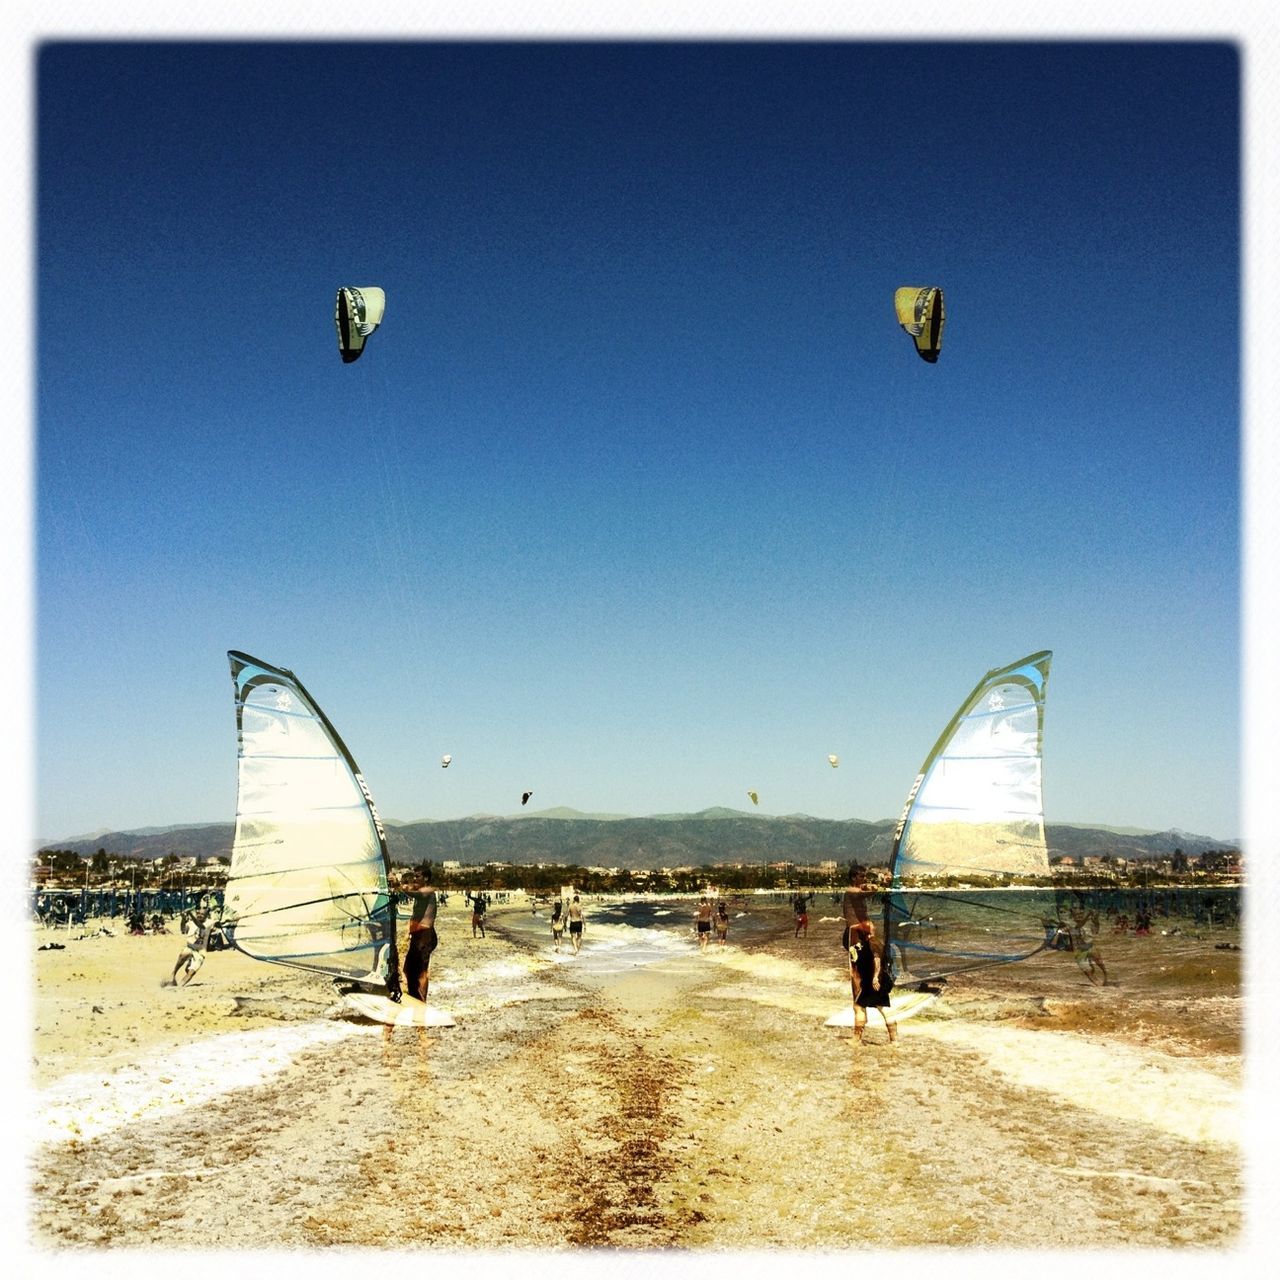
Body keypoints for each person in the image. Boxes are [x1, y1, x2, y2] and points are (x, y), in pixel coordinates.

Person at [850, 920, 897, 1043]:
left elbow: (876, 959)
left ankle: (856, 1039)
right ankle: (894, 1041)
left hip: (872, 983)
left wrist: (875, 977)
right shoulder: (875, 942)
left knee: (858, 1007)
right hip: (881, 982)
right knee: (885, 1009)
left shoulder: (871, 943)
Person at [403, 874, 439, 1001]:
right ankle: (414, 996)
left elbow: (414, 893)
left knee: (422, 971)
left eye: (417, 876)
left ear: (426, 878)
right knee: (408, 968)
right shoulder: (420, 893)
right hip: (417, 936)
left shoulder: (428, 891)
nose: (415, 878)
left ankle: (422, 1000)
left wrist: (399, 886)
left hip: (426, 936)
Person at [163, 907, 211, 987]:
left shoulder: (209, 922)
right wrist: (183, 919)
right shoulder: (191, 923)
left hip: (200, 951)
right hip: (190, 947)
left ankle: (180, 986)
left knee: (191, 972)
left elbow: (201, 926)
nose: (200, 915)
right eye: (198, 914)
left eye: (202, 914)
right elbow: (183, 929)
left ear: (207, 915)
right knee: (183, 955)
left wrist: (190, 914)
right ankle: (172, 975)